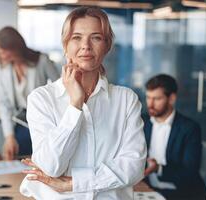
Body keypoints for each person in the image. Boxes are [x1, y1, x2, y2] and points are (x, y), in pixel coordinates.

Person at [19, 6, 147, 199]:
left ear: (107, 45)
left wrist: (74, 183)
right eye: (76, 37)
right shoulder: (41, 98)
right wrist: (75, 105)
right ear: (65, 45)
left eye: (96, 37)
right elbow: (51, 166)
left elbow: (133, 167)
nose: (85, 46)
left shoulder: (126, 100)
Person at [0, 27, 59, 160]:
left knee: (45, 160)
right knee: (17, 156)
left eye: (2, 52)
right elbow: (4, 105)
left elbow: (61, 89)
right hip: (21, 123)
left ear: (14, 47)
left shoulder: (42, 61)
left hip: (44, 121)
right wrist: (9, 136)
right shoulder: (3, 69)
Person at [142, 74, 206, 200]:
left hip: (182, 192)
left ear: (171, 98)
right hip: (149, 188)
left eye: (157, 99)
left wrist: (158, 168)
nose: (150, 104)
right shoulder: (142, 122)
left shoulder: (189, 128)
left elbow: (190, 173)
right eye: (148, 97)